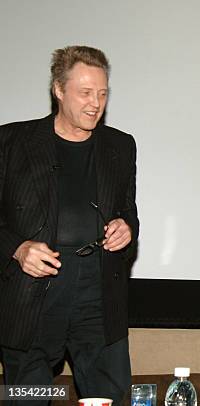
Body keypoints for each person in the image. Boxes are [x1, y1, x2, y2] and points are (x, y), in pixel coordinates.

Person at [0, 45, 138, 405]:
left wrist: (127, 229)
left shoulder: (120, 146)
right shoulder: (10, 142)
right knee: (28, 398)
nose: (96, 103)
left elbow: (128, 212)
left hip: (98, 296)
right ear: (58, 90)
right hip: (34, 297)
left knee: (108, 397)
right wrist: (17, 248)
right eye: (85, 92)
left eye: (103, 93)